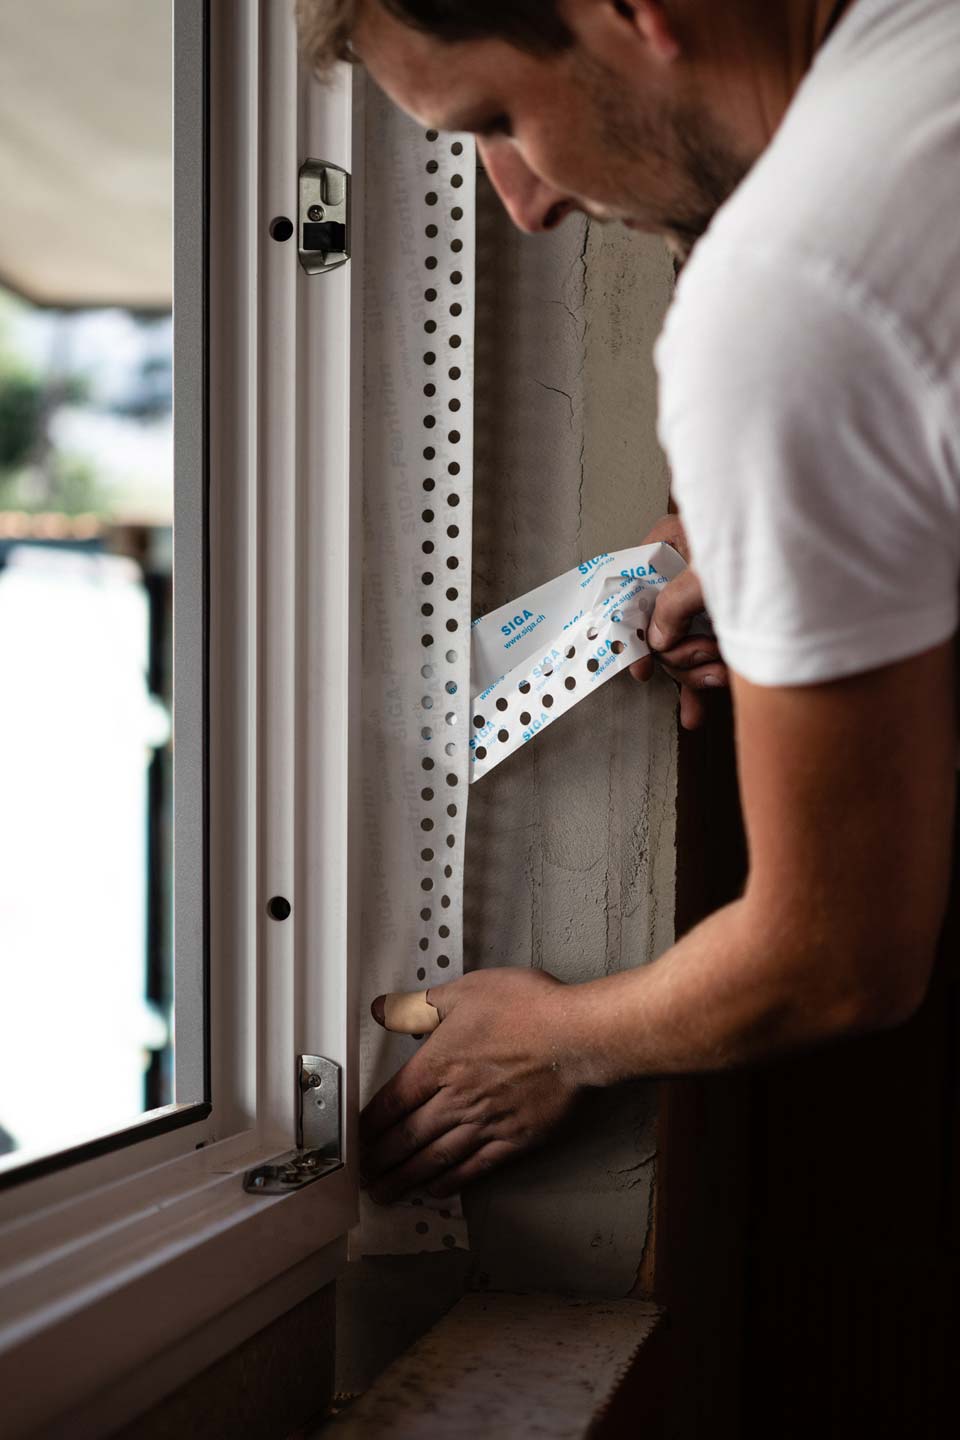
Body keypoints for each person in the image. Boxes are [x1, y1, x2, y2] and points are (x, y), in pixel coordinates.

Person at [297, 0, 960, 1204]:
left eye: (501, 119)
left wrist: (556, 1042)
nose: (522, 202)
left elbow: (839, 956)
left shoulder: (784, 293)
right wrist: (804, 535)